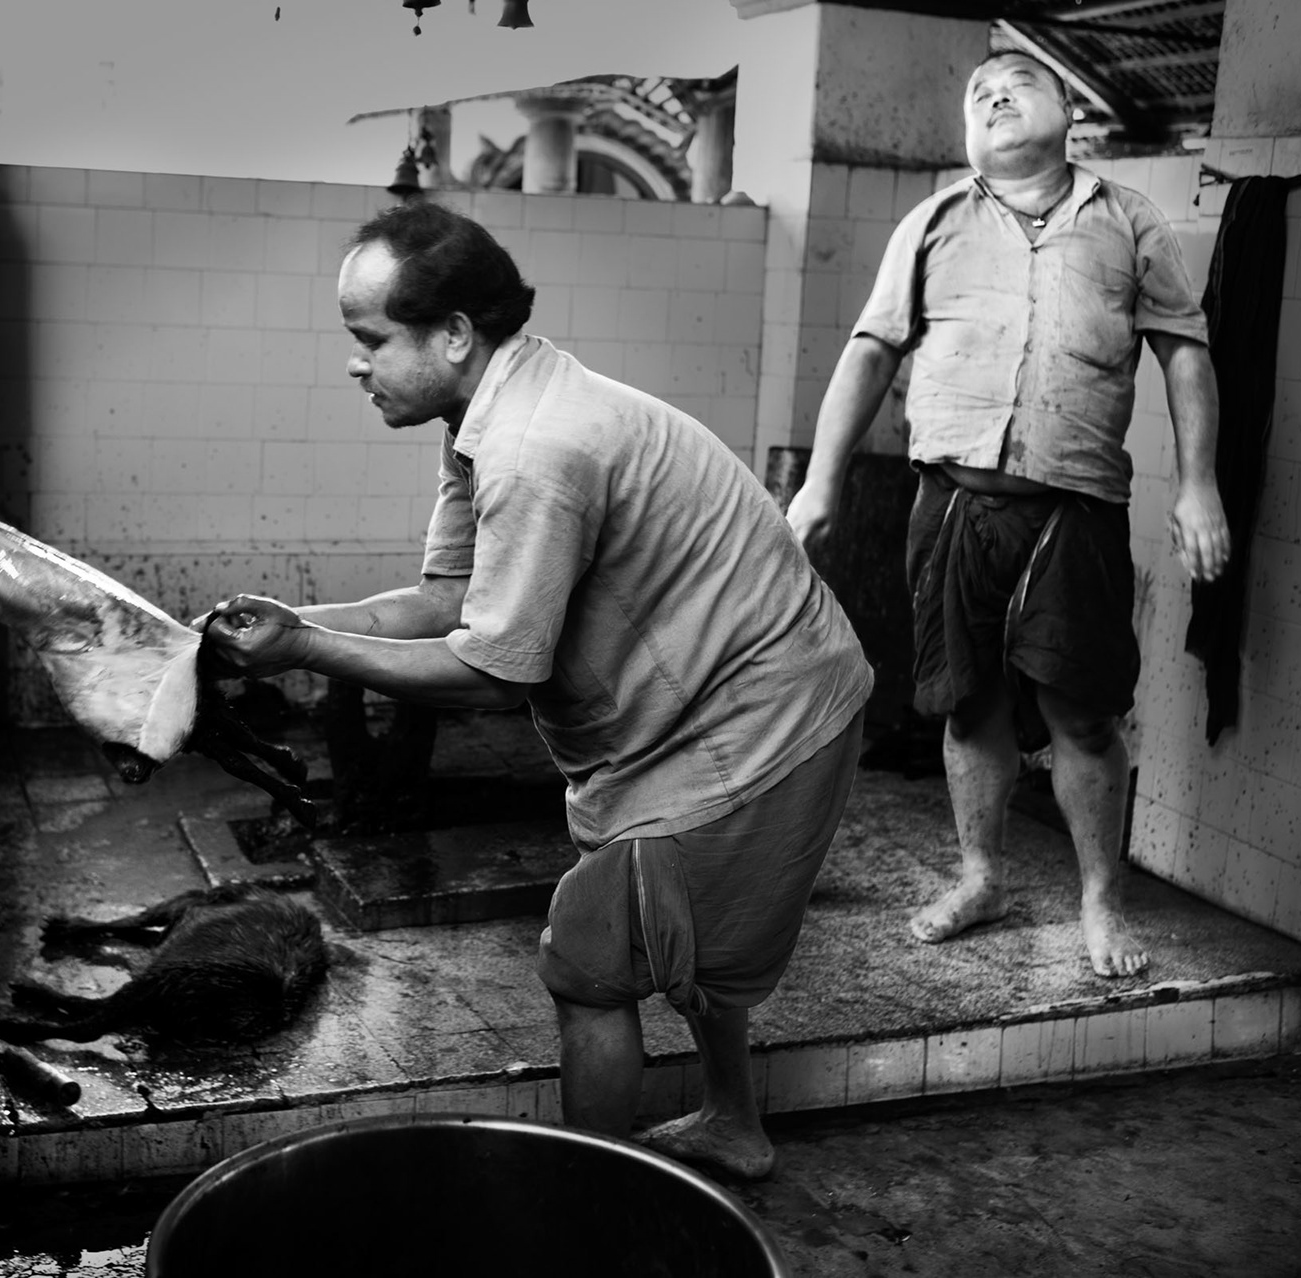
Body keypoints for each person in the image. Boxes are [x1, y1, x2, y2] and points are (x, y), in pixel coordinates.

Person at [203, 200, 873, 1178]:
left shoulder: (535, 444)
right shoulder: (488, 415)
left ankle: (586, 1213)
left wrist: (306, 646)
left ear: (456, 333)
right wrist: (296, 624)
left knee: (591, 963)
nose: (357, 363)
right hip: (711, 716)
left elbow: (485, 675)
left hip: (758, 723)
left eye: (371, 339)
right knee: (683, 944)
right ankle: (734, 1121)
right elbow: (445, 603)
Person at [786, 49, 1231, 979]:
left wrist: (1200, 483)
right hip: (952, 504)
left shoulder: (1131, 221)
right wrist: (822, 481)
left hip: (1075, 508)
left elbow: (1185, 352)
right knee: (966, 704)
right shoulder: (934, 221)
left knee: (1086, 716)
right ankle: (981, 876)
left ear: (1070, 111)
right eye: (977, 95)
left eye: (1017, 85)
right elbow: (870, 351)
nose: (993, 96)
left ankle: (1101, 900)